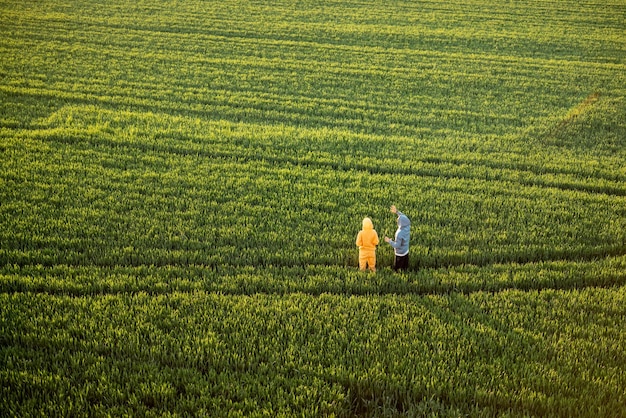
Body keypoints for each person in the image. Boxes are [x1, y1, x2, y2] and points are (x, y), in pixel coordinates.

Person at [384, 205, 410, 271]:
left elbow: (397, 245)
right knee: (405, 267)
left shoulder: (399, 233)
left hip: (400, 254)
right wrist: (397, 212)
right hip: (406, 251)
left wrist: (389, 241)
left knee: (397, 268)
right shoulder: (408, 226)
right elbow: (404, 217)